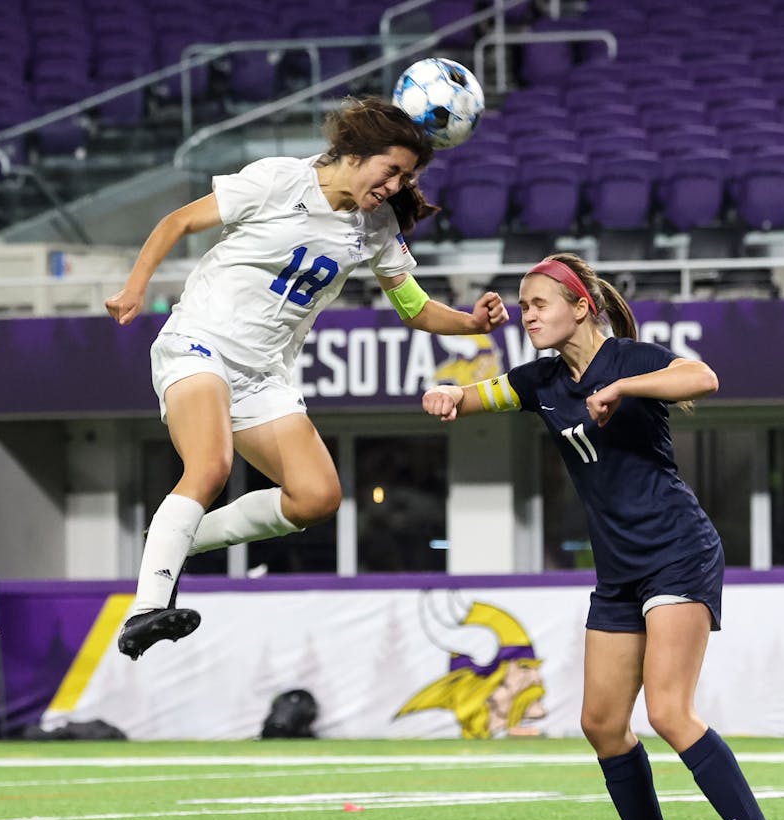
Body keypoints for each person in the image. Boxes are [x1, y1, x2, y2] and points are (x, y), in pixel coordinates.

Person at [422, 253, 784, 820]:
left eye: (539, 304)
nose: (527, 315)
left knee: (670, 711)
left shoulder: (629, 358)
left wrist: (625, 389)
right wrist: (452, 394)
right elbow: (485, 393)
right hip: (619, 568)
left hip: (677, 548)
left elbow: (702, 377)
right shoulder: (540, 380)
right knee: (601, 722)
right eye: (525, 304)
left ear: (580, 307)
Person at [105, 97, 508, 659]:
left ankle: (176, 538)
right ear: (353, 153)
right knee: (211, 465)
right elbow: (178, 221)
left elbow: (412, 307)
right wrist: (134, 288)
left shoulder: (378, 226)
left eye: (407, 177)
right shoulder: (278, 180)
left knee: (316, 497)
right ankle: (146, 608)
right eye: (391, 170)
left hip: (264, 373)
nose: (396, 185)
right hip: (200, 344)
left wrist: (469, 323)